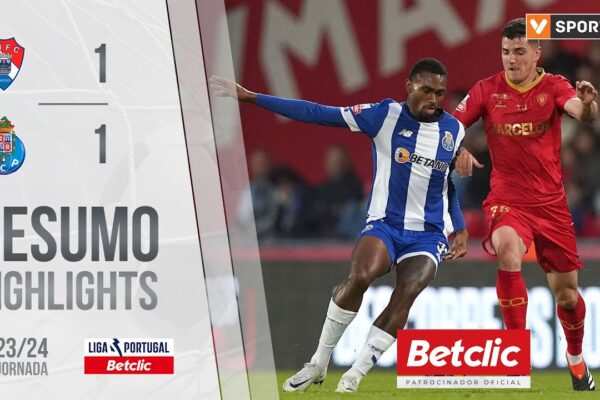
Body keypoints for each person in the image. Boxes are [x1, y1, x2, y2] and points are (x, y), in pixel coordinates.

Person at [210, 58, 469, 393]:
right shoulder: (384, 115)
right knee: (361, 276)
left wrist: (459, 227)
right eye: (427, 90)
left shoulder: (453, 131)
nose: (434, 99)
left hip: (428, 234)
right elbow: (318, 112)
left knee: (408, 291)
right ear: (409, 86)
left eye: (439, 93)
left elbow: (446, 184)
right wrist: (252, 97)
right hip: (385, 224)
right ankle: (318, 363)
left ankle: (355, 375)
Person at [453, 18, 598, 391]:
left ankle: (576, 358)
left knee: (567, 296)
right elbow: (450, 126)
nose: (511, 60)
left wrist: (588, 105)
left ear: (537, 53)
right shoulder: (487, 90)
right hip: (507, 199)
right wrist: (458, 148)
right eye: (506, 52)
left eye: (519, 52)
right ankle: (515, 358)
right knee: (507, 251)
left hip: (551, 205)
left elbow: (580, 111)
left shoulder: (554, 86)